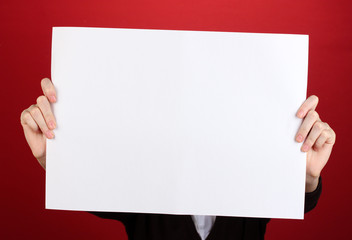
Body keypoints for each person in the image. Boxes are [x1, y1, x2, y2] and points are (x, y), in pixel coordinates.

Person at [20, 78, 336, 240]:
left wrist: (307, 176)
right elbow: (91, 188)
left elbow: (294, 200)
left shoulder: (249, 177)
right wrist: (53, 156)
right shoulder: (144, 185)